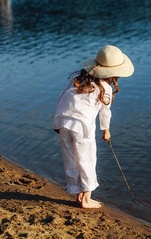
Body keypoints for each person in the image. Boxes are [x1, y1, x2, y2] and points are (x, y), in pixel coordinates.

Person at [53, 45, 134, 209]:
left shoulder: (77, 76)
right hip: (82, 128)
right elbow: (105, 112)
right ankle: (86, 199)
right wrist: (106, 131)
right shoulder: (106, 88)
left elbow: (62, 97)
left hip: (64, 123)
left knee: (71, 160)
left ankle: (78, 195)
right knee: (87, 160)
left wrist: (57, 122)